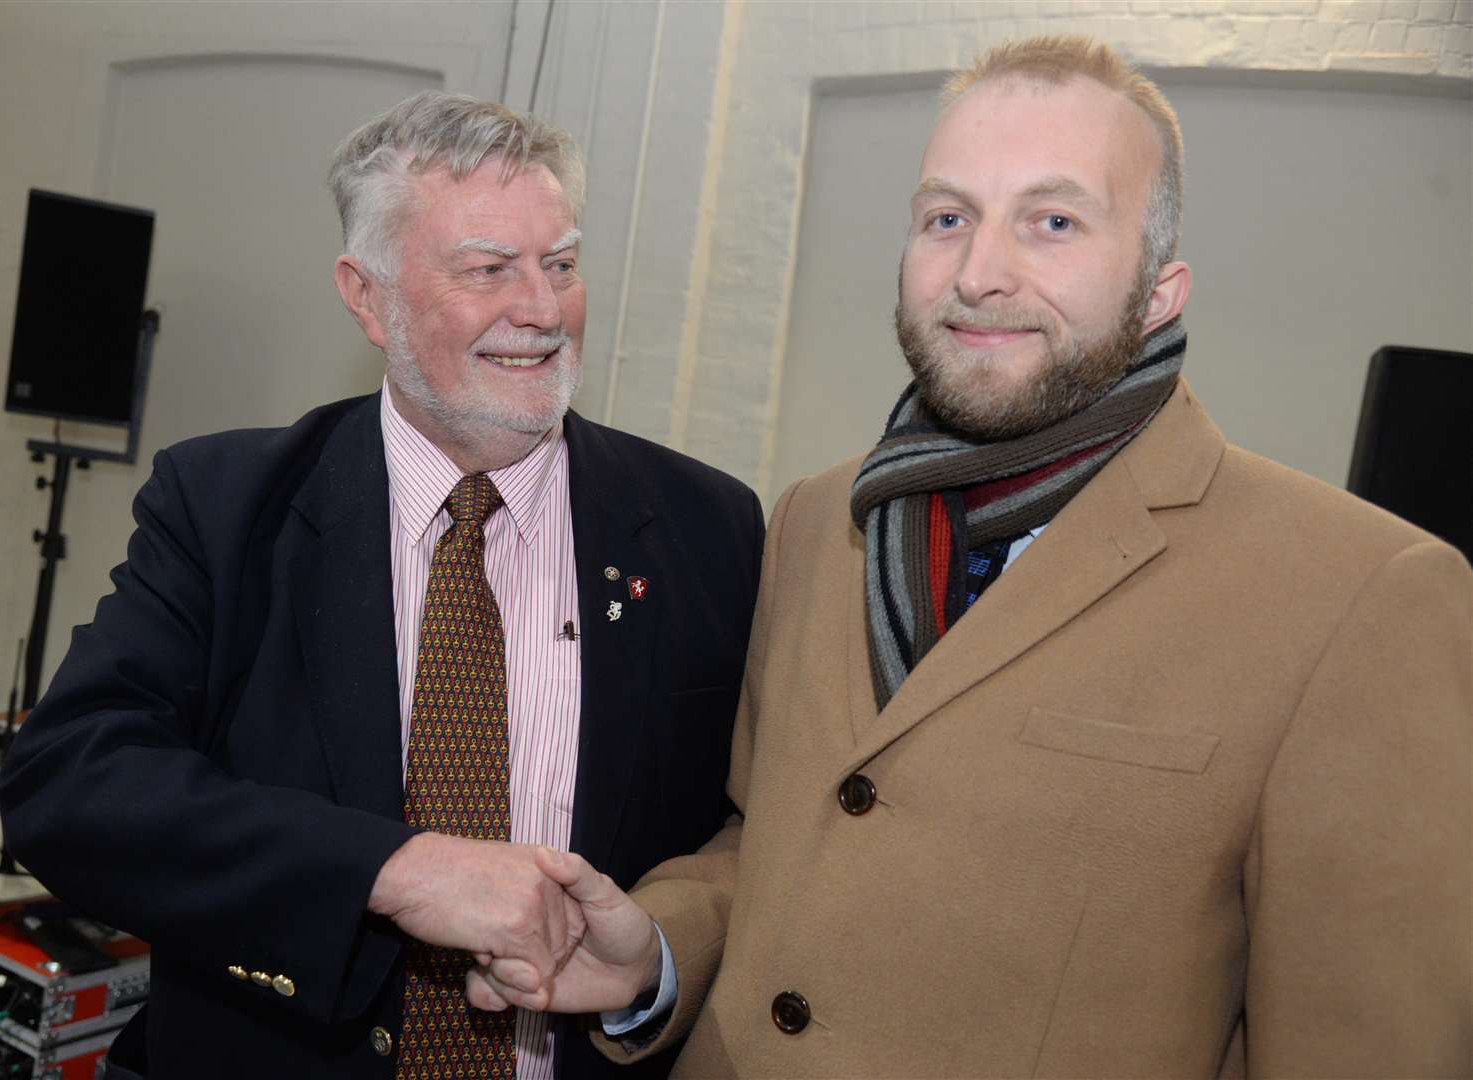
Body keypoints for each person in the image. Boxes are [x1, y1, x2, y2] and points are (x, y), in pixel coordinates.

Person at [468, 37, 1473, 1077]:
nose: (980, 273)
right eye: (946, 218)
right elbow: (767, 835)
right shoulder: (820, 519)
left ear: (1161, 287)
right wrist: (661, 950)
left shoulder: (1360, 595)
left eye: (1053, 221)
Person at [0, 91, 764, 1079]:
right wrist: (392, 870)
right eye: (488, 269)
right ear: (368, 296)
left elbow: (754, 829)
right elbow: (73, 780)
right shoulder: (227, 506)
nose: (540, 309)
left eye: (561, 265)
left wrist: (656, 962)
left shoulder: (709, 526)